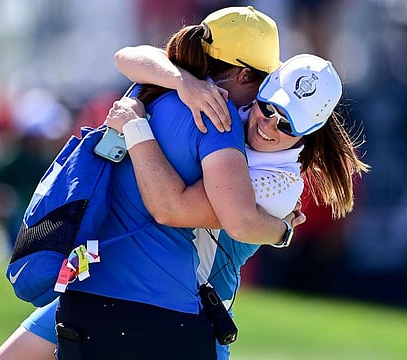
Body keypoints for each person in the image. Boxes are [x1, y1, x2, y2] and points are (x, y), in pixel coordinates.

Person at [0, 51, 369, 359]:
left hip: (194, 312)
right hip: (119, 280)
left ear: (309, 132)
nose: (269, 125)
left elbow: (171, 208)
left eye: (287, 124)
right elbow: (128, 58)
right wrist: (183, 81)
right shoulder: (235, 114)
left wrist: (137, 128)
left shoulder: (280, 185)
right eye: (268, 108)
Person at [46, 6, 302, 360]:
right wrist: (282, 231)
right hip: (162, 304)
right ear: (244, 74)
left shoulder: (151, 86)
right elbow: (196, 212)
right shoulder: (219, 120)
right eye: (262, 84)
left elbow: (126, 56)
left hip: (86, 285)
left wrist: (183, 82)